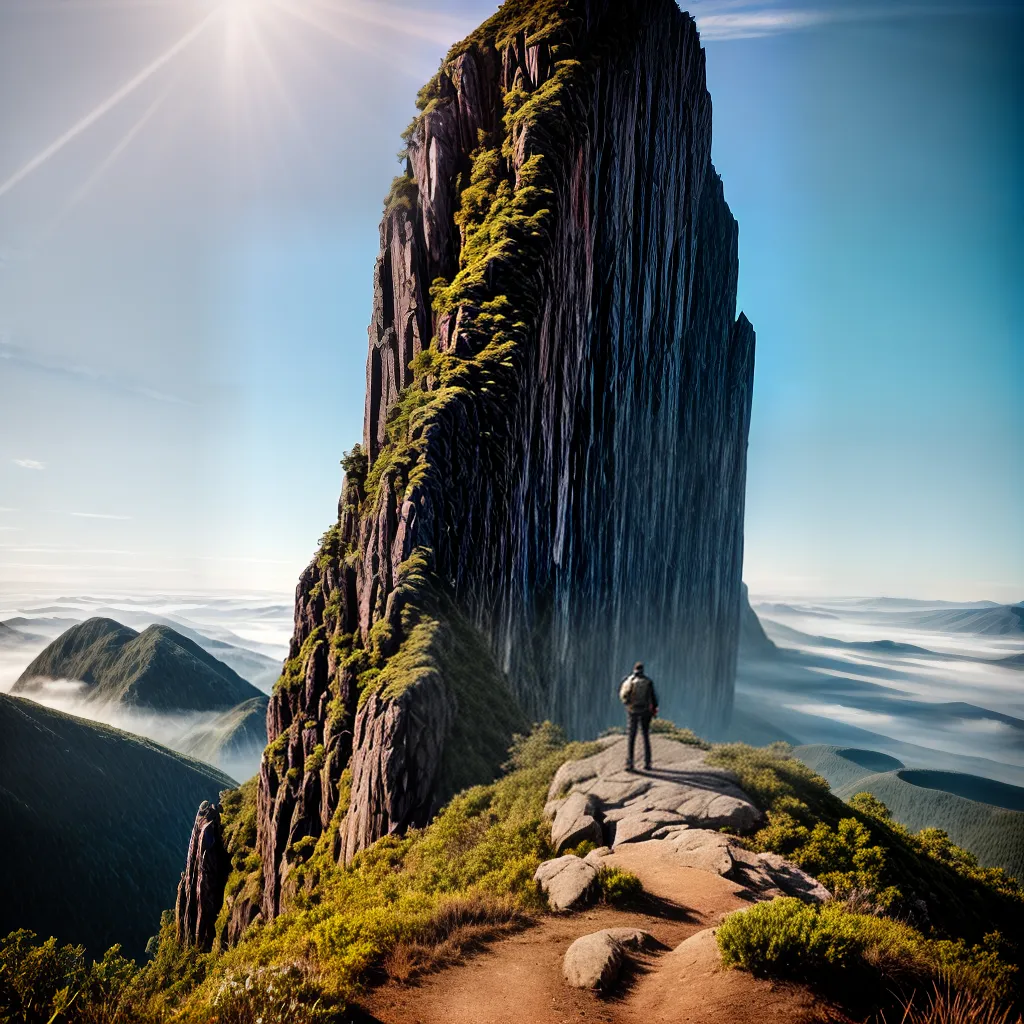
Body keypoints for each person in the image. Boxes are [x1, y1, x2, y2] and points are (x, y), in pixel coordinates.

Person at [619, 661, 658, 771]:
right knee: (645, 736)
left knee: (632, 737)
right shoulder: (648, 681)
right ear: (642, 670)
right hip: (645, 711)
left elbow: (624, 696)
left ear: (634, 669)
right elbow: (653, 699)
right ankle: (648, 763)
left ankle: (630, 763)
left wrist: (628, 705)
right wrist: (654, 709)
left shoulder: (629, 681)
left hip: (632, 711)